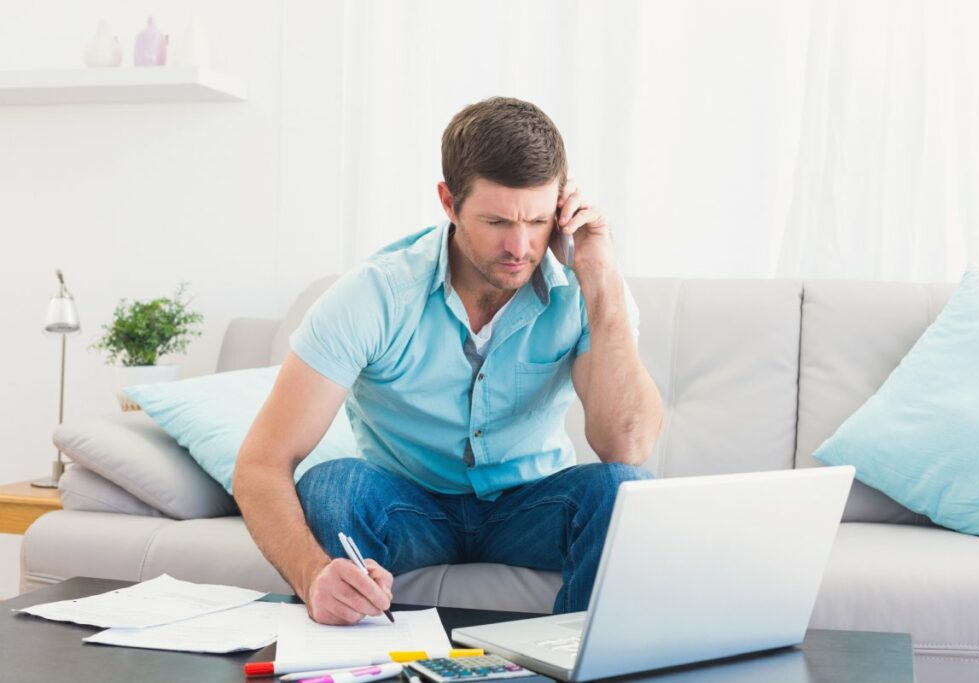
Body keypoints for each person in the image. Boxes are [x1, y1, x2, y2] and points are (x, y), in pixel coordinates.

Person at [233, 96, 663, 626]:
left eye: (537, 220)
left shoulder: (587, 290)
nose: (520, 246)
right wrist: (311, 574)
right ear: (448, 202)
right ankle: (354, 651)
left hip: (533, 506)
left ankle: (570, 663)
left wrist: (599, 279)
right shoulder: (375, 296)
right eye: (497, 221)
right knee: (333, 484)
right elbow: (260, 464)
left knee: (622, 488)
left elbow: (628, 446)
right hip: (408, 507)